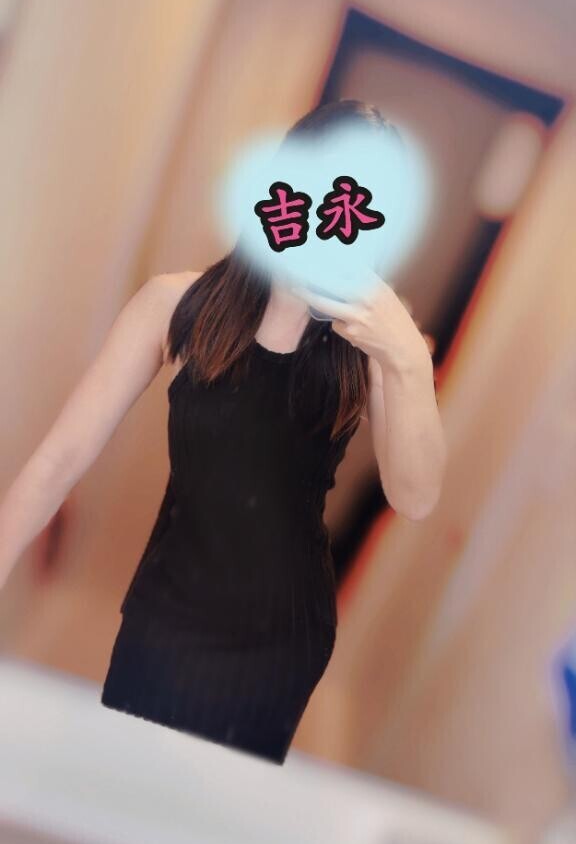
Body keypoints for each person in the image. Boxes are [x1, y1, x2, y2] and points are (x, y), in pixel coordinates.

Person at [0, 99, 446, 765]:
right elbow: (61, 457)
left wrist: (406, 359)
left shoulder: (379, 341)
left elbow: (416, 497)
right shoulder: (178, 303)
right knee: (117, 777)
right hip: (168, 607)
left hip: (282, 636)